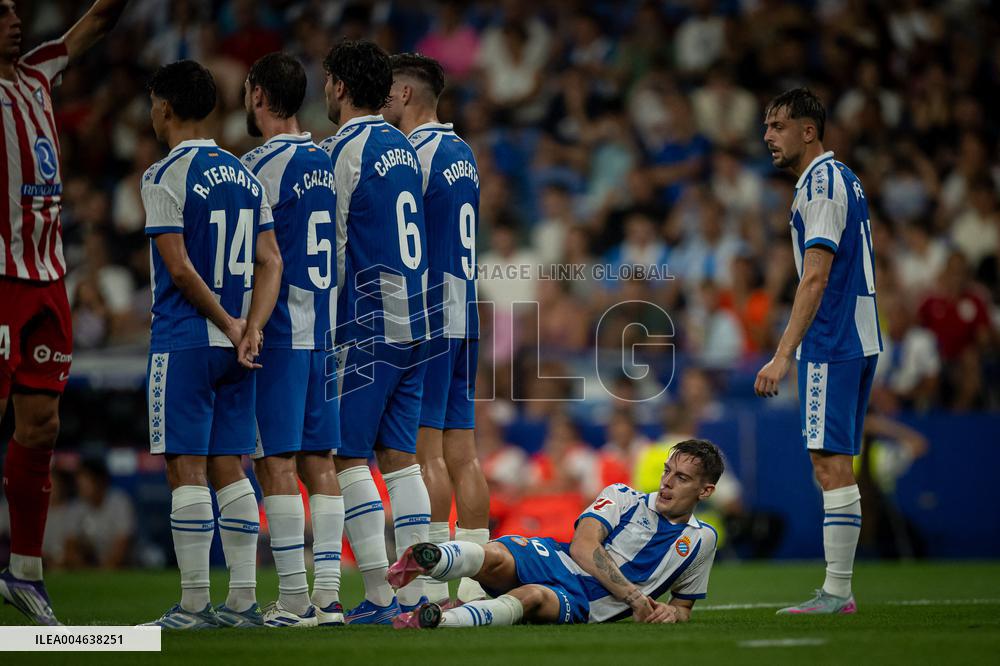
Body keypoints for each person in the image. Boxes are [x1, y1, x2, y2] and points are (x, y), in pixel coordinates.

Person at [138, 60, 282, 629]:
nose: (151, 114)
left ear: (167, 108)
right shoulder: (246, 176)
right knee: (231, 466)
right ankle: (243, 603)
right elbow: (272, 260)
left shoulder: (163, 175)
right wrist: (251, 327)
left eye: (152, 104)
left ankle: (195, 605)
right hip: (240, 346)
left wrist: (226, 322)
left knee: (186, 469)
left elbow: (178, 270)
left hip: (186, 342)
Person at [0, 0, 130, 626]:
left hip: (49, 279)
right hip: (0, 279)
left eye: (14, 10)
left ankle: (23, 571)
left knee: (42, 425)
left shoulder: (37, 72)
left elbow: (100, 19)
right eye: (1, 13)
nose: (15, 19)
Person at [755, 88, 882, 615]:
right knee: (835, 463)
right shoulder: (840, 177)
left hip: (832, 338)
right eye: (766, 127)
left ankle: (837, 593)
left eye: (779, 126)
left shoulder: (822, 185)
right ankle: (839, 589)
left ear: (809, 131)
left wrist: (784, 353)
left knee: (829, 464)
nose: (768, 137)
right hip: (855, 333)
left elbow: (816, 275)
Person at [318, 40, 431, 625]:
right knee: (401, 459)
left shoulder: (345, 150)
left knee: (347, 458)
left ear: (338, 85)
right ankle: (414, 595)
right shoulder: (404, 147)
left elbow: (331, 249)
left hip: (364, 317)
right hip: (415, 313)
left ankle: (381, 598)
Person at [388, 439, 722, 629]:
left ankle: (437, 620)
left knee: (533, 596)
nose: (666, 482)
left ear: (704, 491)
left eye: (681, 478)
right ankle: (428, 560)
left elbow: (684, 607)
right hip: (559, 559)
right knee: (498, 554)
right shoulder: (624, 496)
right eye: (667, 471)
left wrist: (671, 613)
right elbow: (583, 546)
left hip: (585, 603)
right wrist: (635, 598)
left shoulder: (701, 540)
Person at [381, 52, 490, 609]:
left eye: (386, 92)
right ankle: (474, 579)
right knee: (464, 453)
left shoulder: (412, 155)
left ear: (403, 95)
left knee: (428, 456)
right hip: (465, 311)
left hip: (427, 315)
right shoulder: (462, 153)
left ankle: (429, 580)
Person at [240, 52, 345, 628]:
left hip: (280, 331)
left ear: (257, 94)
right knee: (319, 462)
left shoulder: (258, 167)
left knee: (275, 462)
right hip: (325, 331)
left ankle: (293, 600)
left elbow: (255, 258)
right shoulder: (325, 158)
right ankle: (327, 598)